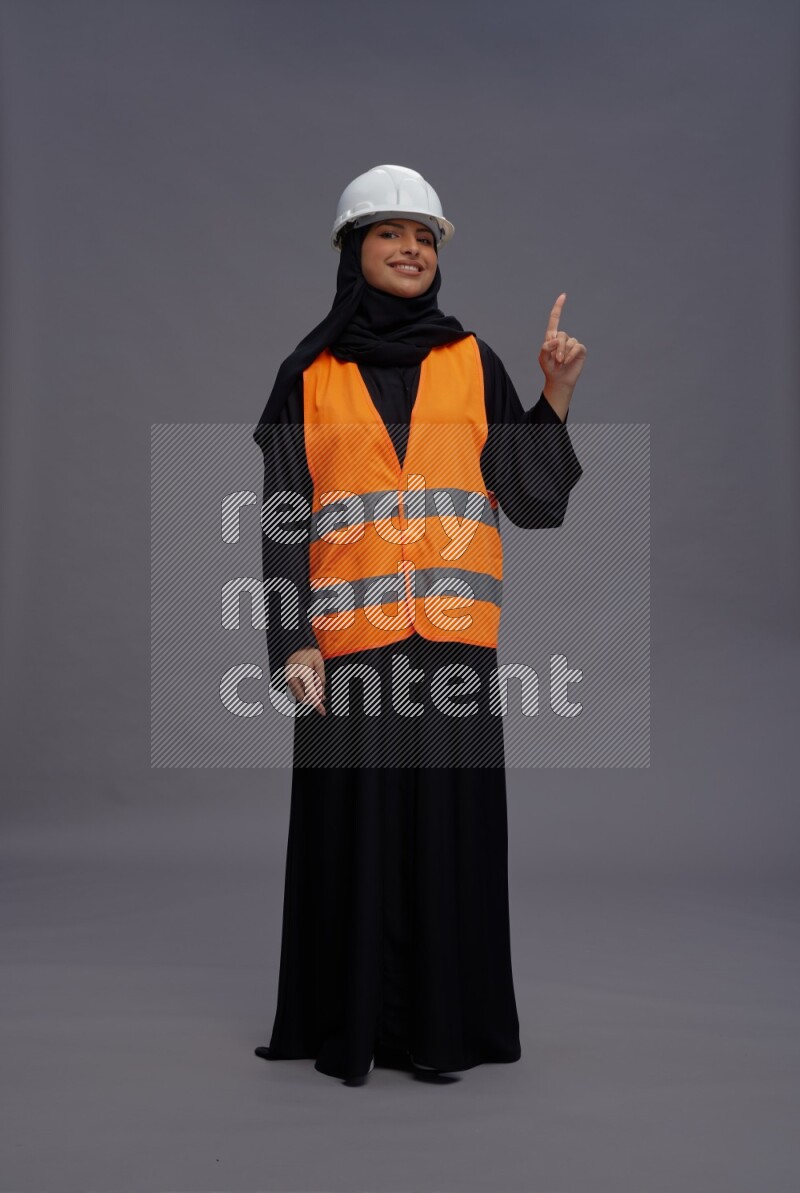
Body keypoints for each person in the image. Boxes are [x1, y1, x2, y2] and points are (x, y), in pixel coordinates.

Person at [252, 164, 585, 1085]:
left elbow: (533, 497)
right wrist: (289, 641)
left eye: (425, 236)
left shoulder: (474, 361)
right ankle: (346, 1023)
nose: (410, 249)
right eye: (391, 232)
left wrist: (553, 395)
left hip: (451, 652)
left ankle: (445, 1029)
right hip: (346, 652)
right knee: (350, 840)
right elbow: (282, 522)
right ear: (352, 251)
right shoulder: (306, 377)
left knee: (447, 835)